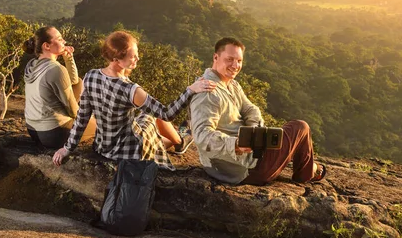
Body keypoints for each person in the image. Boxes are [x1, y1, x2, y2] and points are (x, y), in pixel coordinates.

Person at [53, 30, 216, 170]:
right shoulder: (130, 89)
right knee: (151, 117)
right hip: (128, 153)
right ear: (116, 59)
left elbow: (82, 118)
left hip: (102, 148)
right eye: (133, 56)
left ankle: (177, 142)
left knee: (145, 117)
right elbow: (166, 114)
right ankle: (179, 142)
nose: (137, 59)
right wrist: (190, 90)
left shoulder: (90, 76)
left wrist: (67, 148)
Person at [189, 37, 327, 185]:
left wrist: (254, 130)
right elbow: (202, 136)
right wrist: (236, 144)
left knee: (281, 135)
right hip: (245, 169)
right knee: (300, 127)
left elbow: (250, 108)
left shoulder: (232, 85)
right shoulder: (207, 91)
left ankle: (308, 169)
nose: (235, 65)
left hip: (249, 157)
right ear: (216, 57)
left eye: (239, 61)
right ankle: (307, 174)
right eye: (230, 59)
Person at [23, 26, 96, 149]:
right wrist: (92, 118)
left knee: (78, 83)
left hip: (33, 130)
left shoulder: (32, 65)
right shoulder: (56, 69)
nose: (64, 42)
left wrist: (68, 57)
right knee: (102, 125)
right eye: (60, 39)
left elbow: (73, 81)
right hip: (55, 134)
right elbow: (72, 110)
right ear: (47, 46)